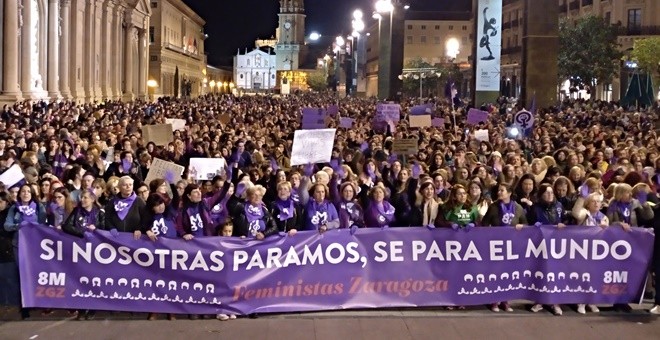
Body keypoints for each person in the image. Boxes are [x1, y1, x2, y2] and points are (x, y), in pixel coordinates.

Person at [4, 184, 48, 320]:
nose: (26, 194)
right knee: (22, 275)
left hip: (34, 246)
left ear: (32, 194)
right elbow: (7, 225)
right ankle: (24, 306)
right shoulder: (14, 208)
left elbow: (43, 225)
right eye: (23, 191)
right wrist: (18, 226)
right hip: (19, 246)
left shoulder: (38, 207)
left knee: (34, 275)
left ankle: (36, 301)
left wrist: (34, 227)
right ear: (19, 194)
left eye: (29, 191)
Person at [61, 189, 104, 320]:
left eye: (85, 197)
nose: (82, 200)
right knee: (80, 279)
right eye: (81, 197)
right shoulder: (76, 211)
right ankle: (81, 308)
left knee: (93, 279)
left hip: (94, 252)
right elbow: (66, 226)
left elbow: (104, 228)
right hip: (79, 250)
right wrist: (82, 232)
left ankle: (92, 308)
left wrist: (95, 229)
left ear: (92, 199)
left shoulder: (99, 213)